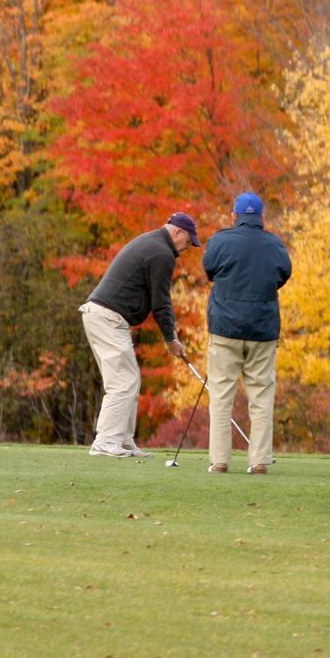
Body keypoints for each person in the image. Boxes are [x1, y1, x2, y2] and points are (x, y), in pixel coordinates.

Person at [81, 212, 201, 457]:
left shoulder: (152, 242)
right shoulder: (162, 253)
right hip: (107, 317)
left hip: (101, 315)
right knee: (122, 381)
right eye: (188, 241)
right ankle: (105, 441)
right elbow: (161, 302)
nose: (187, 248)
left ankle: (123, 440)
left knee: (129, 378)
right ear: (177, 231)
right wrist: (171, 340)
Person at [202, 192, 292, 474]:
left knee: (221, 395)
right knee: (262, 397)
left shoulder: (220, 240)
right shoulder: (274, 244)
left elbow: (210, 271)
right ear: (261, 218)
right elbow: (283, 275)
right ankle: (260, 461)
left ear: (234, 216)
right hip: (263, 329)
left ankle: (219, 460)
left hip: (225, 329)